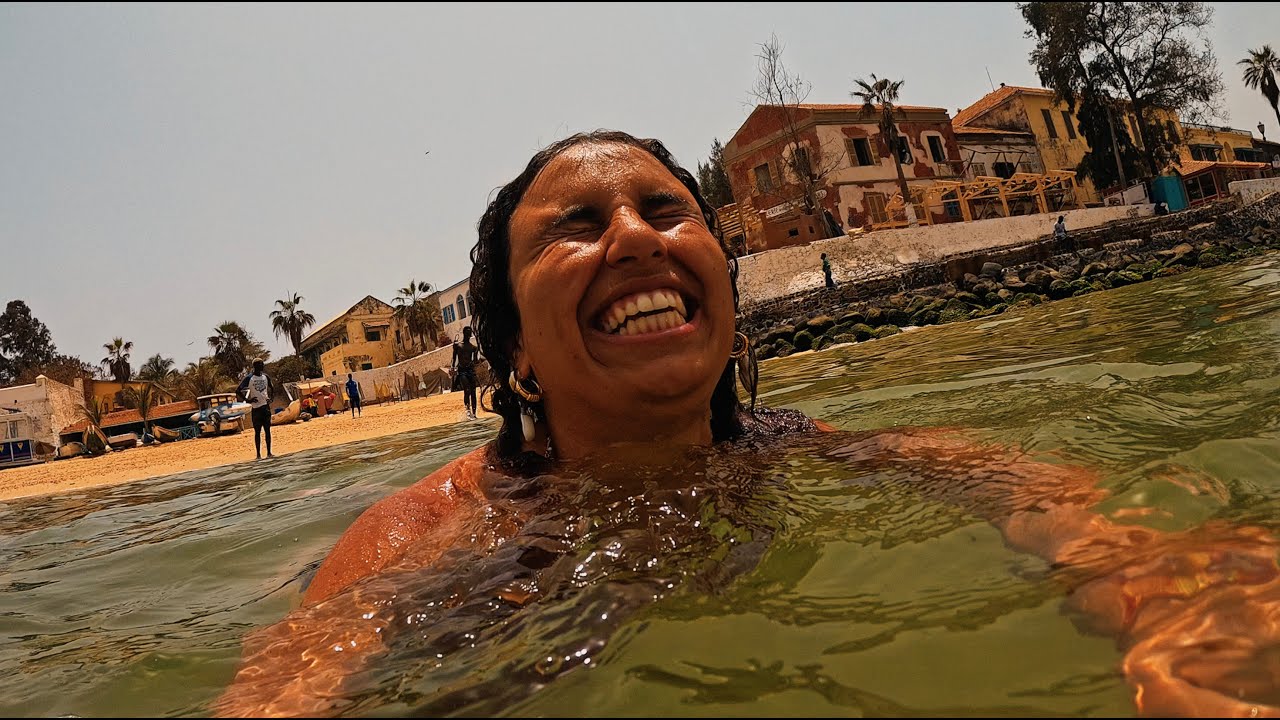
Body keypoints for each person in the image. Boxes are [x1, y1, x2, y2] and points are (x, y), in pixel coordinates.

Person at [217, 131, 1280, 718]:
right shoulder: (424, 535)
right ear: (516, 359)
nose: (636, 238)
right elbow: (283, 693)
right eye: (577, 227)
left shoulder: (801, 450)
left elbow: (1070, 514)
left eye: (666, 210)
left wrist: (1184, 616)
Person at [236, 359, 274, 460]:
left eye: (262, 364)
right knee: (257, 432)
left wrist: (271, 398)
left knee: (267, 430)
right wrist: (248, 400)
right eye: (259, 365)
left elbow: (272, 387)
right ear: (255, 366)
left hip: (265, 407)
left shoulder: (266, 377)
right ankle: (258, 454)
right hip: (256, 409)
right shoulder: (249, 378)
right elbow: (238, 390)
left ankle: (269, 452)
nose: (262, 366)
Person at [452, 325, 480, 419]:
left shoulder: (473, 348)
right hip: (462, 370)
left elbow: (475, 361)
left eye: (470, 333)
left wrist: (478, 353)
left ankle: (474, 413)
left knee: (473, 391)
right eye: (468, 333)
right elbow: (454, 358)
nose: (469, 334)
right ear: (464, 333)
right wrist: (452, 367)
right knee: (467, 389)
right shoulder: (458, 346)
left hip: (470, 370)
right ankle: (468, 409)